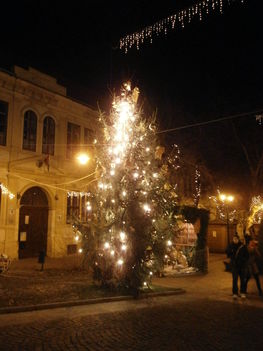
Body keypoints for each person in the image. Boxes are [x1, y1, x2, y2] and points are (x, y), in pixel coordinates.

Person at [226, 234, 249, 299]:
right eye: (234, 239)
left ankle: (242, 292)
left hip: (242, 266)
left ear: (238, 239)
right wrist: (230, 253)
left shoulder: (242, 246)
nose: (235, 240)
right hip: (235, 266)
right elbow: (227, 253)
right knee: (235, 280)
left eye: (236, 239)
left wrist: (243, 260)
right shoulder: (230, 246)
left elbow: (247, 256)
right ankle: (235, 293)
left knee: (242, 280)